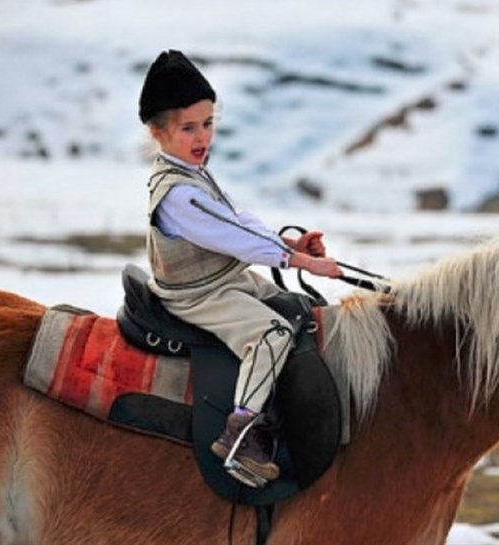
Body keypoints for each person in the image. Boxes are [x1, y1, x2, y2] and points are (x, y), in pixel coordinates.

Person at [138, 49, 342, 486]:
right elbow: (238, 239)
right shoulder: (177, 193)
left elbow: (237, 224)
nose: (202, 137)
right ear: (157, 132)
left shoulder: (194, 173)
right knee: (271, 335)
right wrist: (301, 260)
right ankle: (242, 435)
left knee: (300, 309)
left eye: (208, 124)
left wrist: (289, 244)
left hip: (225, 278)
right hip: (198, 295)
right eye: (188, 128)